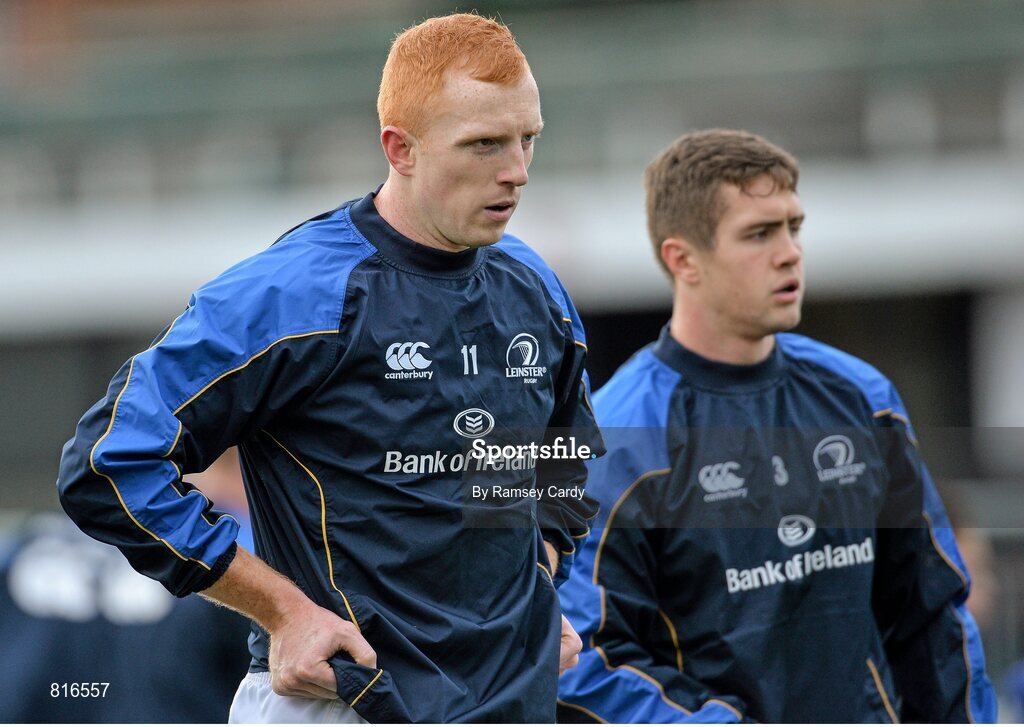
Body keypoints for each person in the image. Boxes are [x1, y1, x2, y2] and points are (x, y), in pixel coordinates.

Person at [57, 13, 601, 723]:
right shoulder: (291, 294)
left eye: (528, 138)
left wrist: (535, 584)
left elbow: (563, 463)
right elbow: (106, 464)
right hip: (344, 702)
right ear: (399, 148)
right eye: (485, 145)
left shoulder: (535, 287)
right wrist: (283, 611)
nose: (517, 172)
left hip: (510, 704)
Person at [555, 129, 996, 723]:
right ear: (682, 259)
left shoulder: (863, 398)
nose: (789, 252)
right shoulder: (618, 436)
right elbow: (586, 655)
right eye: (759, 234)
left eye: (793, 227)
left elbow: (932, 613)